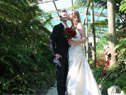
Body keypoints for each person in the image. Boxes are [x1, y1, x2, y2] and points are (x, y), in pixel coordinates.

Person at [66, 9, 102, 95]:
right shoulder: (70, 27)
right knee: (72, 71)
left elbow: (84, 39)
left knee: (78, 71)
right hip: (71, 51)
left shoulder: (79, 25)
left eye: (70, 14)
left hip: (77, 51)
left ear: (74, 15)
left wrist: (73, 42)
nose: (68, 15)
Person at [49, 9, 69, 95]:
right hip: (60, 57)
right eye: (64, 15)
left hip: (69, 57)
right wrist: (55, 53)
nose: (66, 16)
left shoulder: (69, 28)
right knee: (60, 79)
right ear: (60, 18)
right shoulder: (57, 27)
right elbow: (51, 40)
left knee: (66, 78)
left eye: (66, 14)